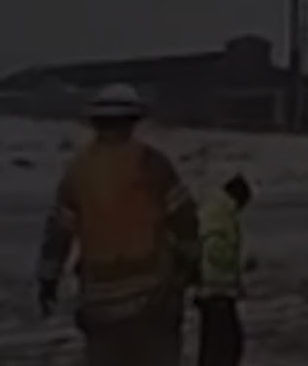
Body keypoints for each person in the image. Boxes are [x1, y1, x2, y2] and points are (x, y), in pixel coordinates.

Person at [36, 83, 199, 366]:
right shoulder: (152, 164)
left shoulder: (78, 171)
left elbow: (58, 233)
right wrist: (191, 262)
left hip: (100, 305)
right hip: (152, 301)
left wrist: (48, 279)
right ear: (133, 121)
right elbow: (185, 219)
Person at [195, 173, 254, 366]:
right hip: (216, 291)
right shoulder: (222, 215)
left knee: (215, 347)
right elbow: (214, 248)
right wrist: (237, 265)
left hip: (210, 291)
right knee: (227, 346)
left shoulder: (215, 210)